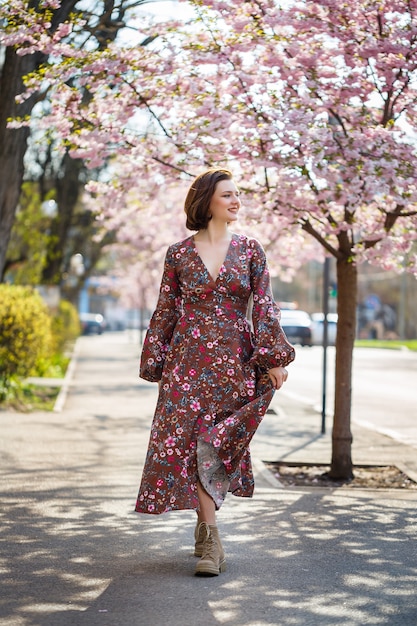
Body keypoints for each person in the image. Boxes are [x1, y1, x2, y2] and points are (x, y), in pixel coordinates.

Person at [135, 168, 295, 577]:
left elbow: (264, 306)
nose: (236, 200)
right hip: (186, 363)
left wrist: (274, 356)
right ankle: (211, 543)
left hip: (233, 363)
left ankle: (207, 530)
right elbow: (167, 310)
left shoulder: (250, 250)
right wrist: (155, 359)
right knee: (192, 445)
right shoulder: (179, 254)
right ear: (207, 202)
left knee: (214, 444)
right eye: (228, 195)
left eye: (237, 194)